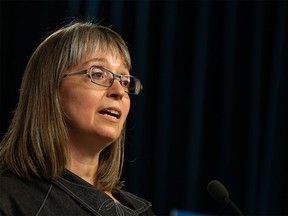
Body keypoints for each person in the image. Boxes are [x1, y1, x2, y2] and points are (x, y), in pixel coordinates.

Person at [0, 20, 154, 215]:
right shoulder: (9, 201)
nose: (119, 91)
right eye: (98, 74)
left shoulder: (142, 211)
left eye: (124, 80)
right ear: (51, 88)